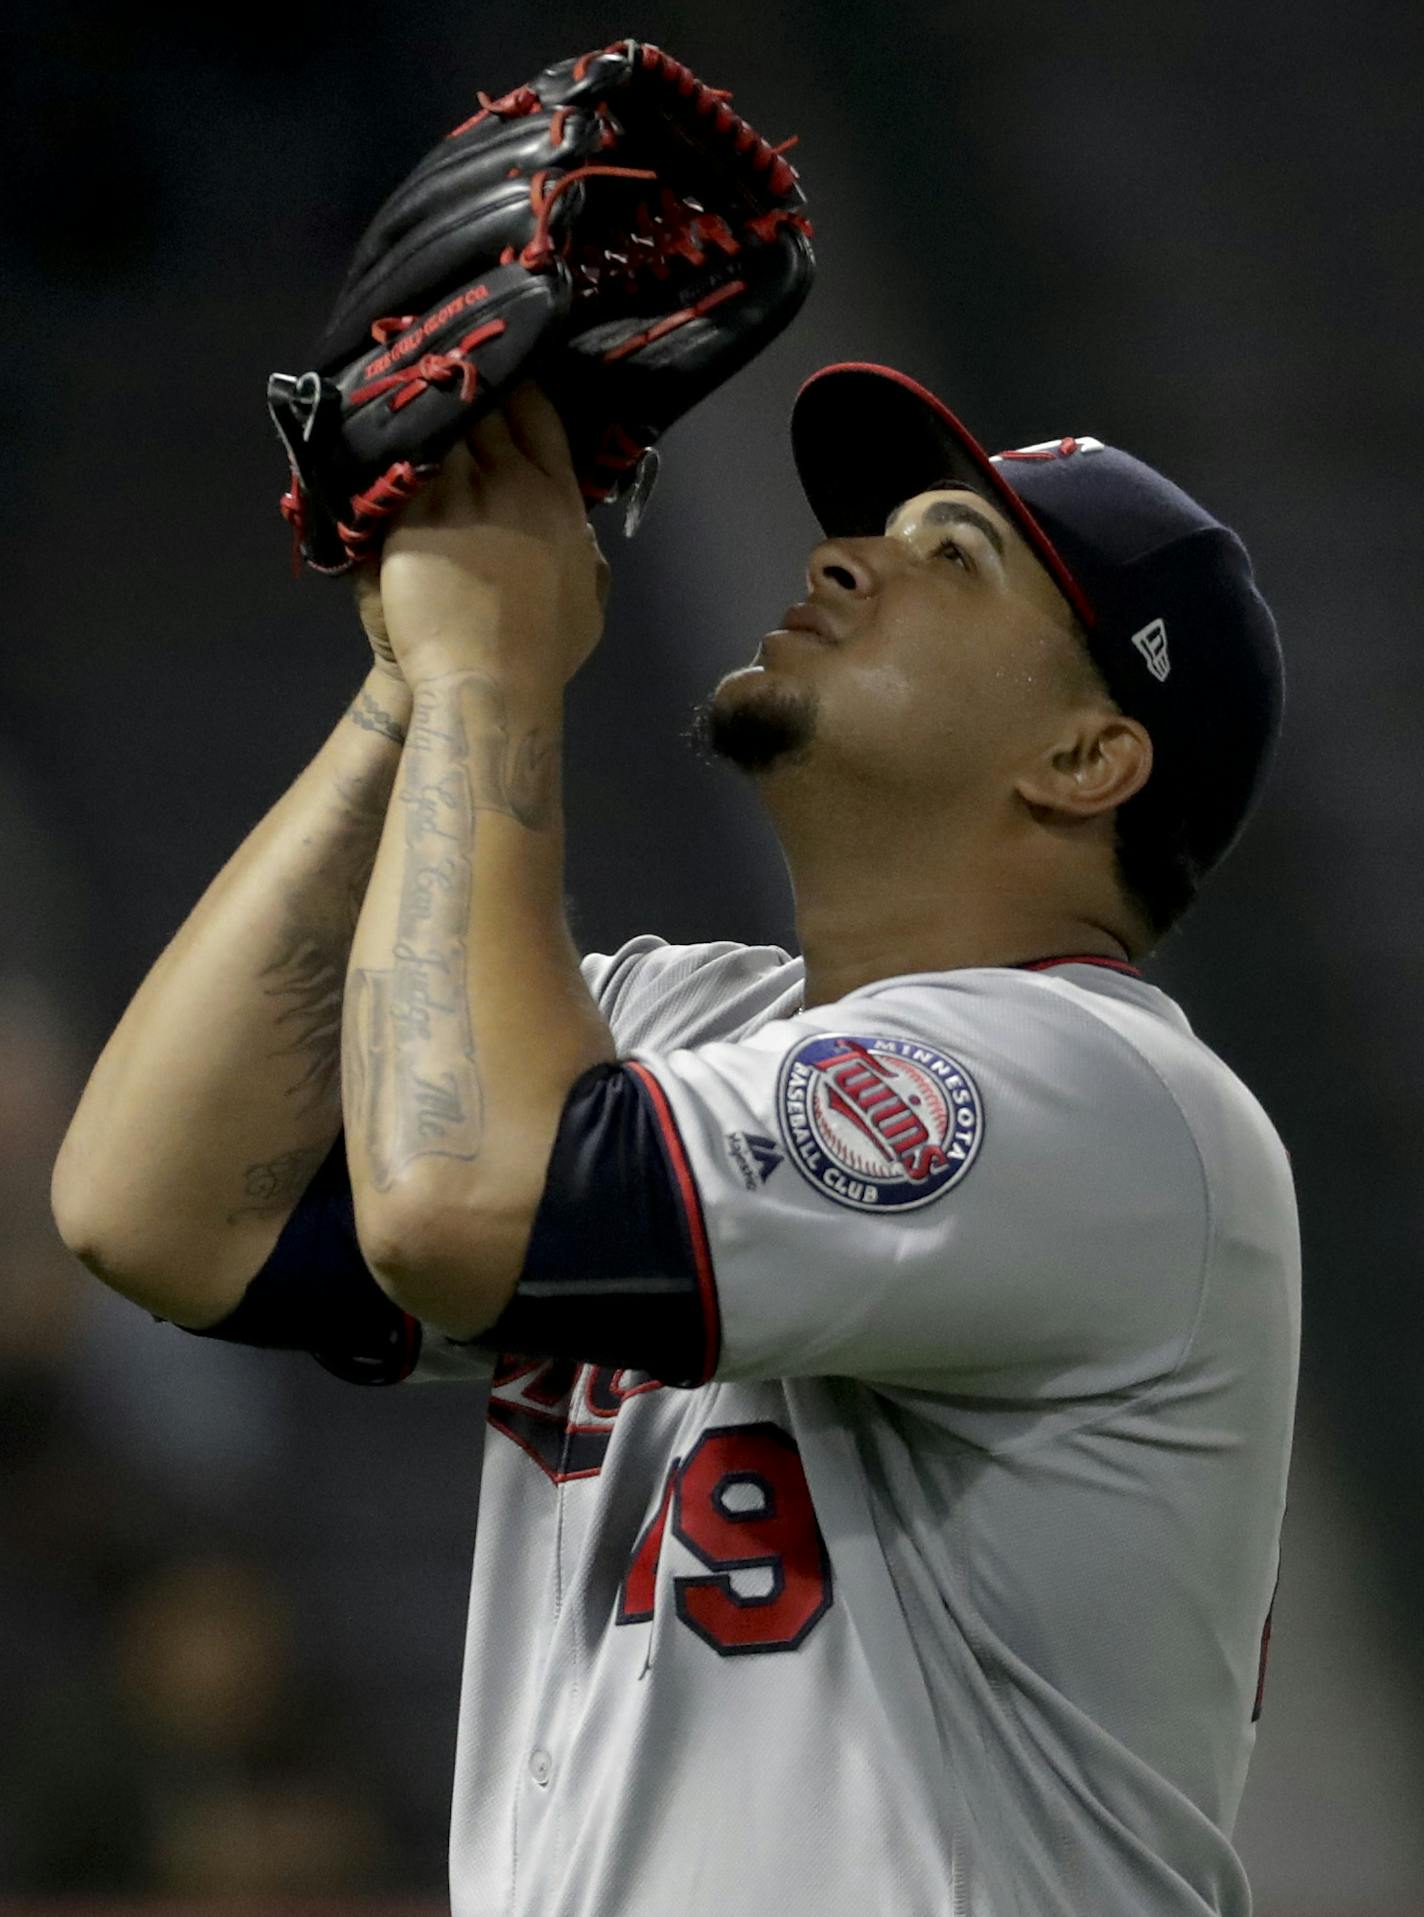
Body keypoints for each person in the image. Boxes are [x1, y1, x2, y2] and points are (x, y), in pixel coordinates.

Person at [52, 365, 1299, 1916]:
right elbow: (162, 1207)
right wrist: (413, 676)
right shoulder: (671, 1022)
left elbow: (465, 1202)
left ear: (1085, 761)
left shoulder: (1109, 1099)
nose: (845, 558)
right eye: (874, 529)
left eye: (951, 556)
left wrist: (496, 669)